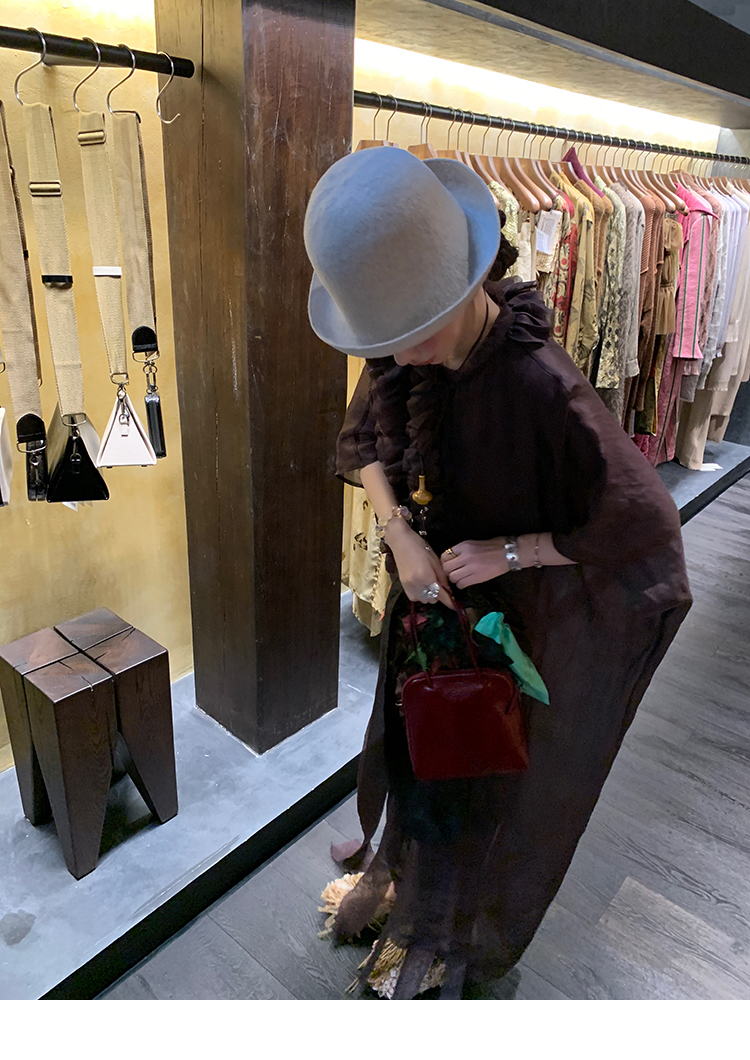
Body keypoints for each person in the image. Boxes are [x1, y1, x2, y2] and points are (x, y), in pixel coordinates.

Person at [304, 146, 692, 1000]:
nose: (402, 359)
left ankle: (436, 934)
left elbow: (645, 523)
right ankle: (396, 878)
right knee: (412, 744)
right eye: (388, 344)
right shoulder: (406, 339)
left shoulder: (538, 381)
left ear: (465, 285)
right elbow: (363, 442)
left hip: (509, 629)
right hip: (426, 606)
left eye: (415, 338)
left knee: (474, 779)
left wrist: (512, 551)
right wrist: (402, 537)